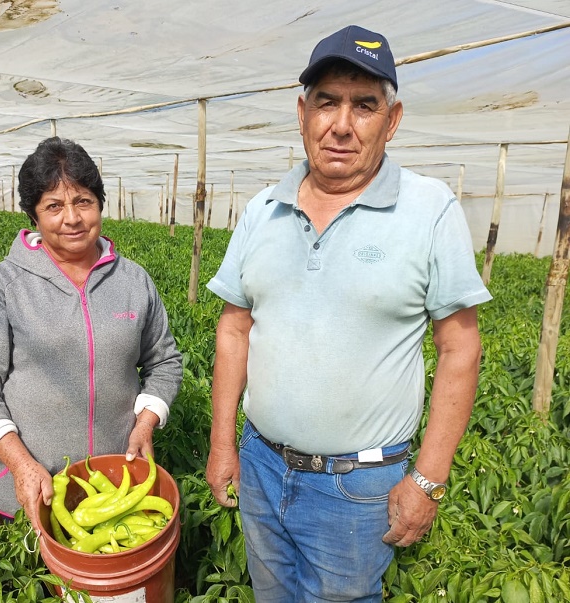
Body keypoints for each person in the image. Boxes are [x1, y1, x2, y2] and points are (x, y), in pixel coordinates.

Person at [205, 25, 492, 602]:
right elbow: (235, 329)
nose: (341, 124)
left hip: (359, 487)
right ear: (302, 112)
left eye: (364, 106)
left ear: (393, 119)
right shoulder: (263, 209)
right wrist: (222, 443)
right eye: (326, 102)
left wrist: (428, 480)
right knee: (270, 593)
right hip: (262, 465)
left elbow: (460, 348)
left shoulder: (429, 209)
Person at [0, 136, 182, 524]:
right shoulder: (4, 285)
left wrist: (146, 421)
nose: (72, 218)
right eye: (54, 206)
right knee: (32, 582)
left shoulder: (132, 281)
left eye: (83, 201)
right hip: (29, 486)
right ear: (34, 215)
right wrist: (20, 463)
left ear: (99, 204)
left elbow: (164, 361)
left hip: (114, 486)